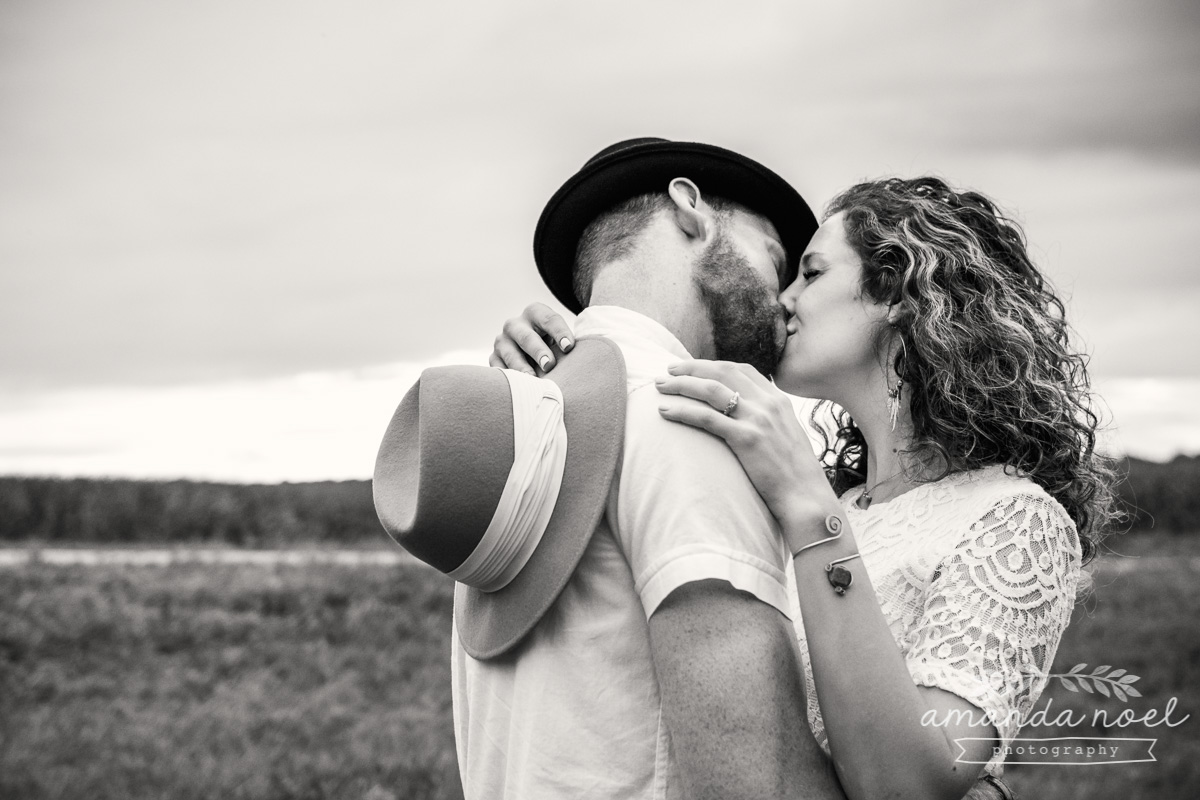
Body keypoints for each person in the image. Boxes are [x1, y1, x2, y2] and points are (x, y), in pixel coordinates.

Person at [493, 176, 1116, 800]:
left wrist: (809, 508)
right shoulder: (827, 499)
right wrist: (563, 359)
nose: (781, 301)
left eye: (811, 274)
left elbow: (908, 784)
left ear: (898, 292)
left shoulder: (1017, 522)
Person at [454, 137, 842, 800]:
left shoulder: (520, 423)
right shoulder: (687, 413)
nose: (783, 300)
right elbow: (757, 781)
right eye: (775, 259)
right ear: (690, 209)